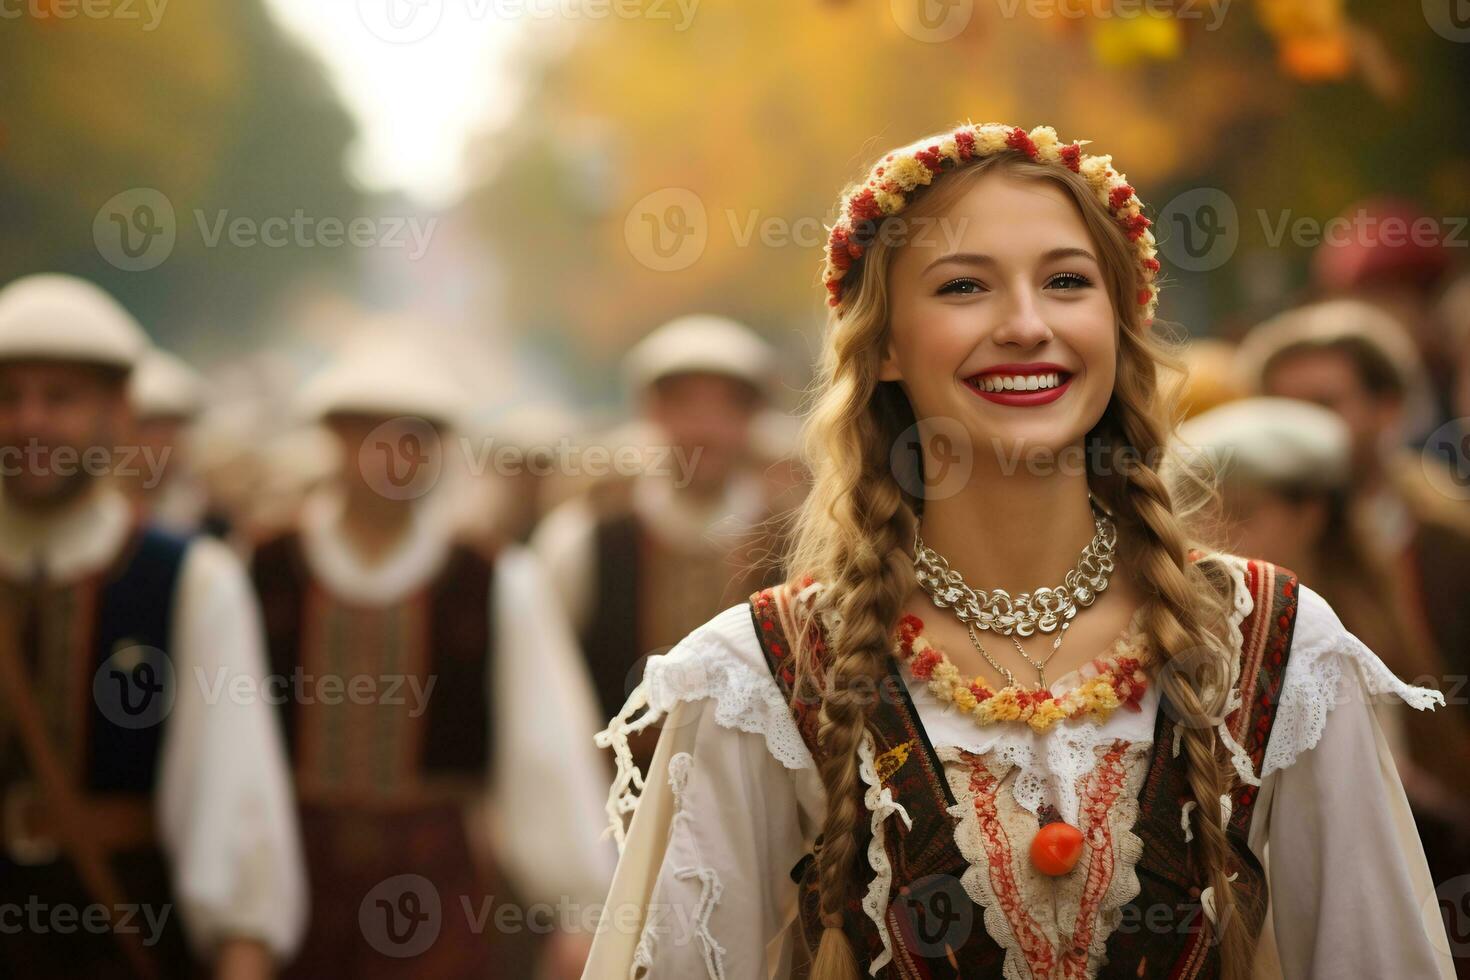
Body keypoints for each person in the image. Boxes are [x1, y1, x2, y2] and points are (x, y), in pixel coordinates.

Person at [583, 124, 1456, 979]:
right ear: (884, 344)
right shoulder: (764, 676)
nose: (1027, 324)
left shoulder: (1272, 645)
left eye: (1068, 282)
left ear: (1117, 324)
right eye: (965, 288)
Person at [248, 330, 614, 978]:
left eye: (413, 437)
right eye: (369, 434)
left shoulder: (494, 579)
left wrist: (577, 908)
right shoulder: (261, 567)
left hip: (436, 884)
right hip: (289, 881)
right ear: (333, 437)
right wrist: (236, 914)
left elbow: (545, 749)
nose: (392, 456)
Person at [0, 274, 306, 978]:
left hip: (125, 939)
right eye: (10, 397)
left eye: (59, 398)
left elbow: (232, 793)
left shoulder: (192, 579)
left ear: (117, 413)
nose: (29, 422)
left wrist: (242, 950)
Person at [532, 314, 801, 752]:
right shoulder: (582, 539)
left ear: (754, 417)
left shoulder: (798, 544)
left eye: (725, 407)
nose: (704, 428)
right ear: (651, 412)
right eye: (684, 405)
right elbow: (546, 690)